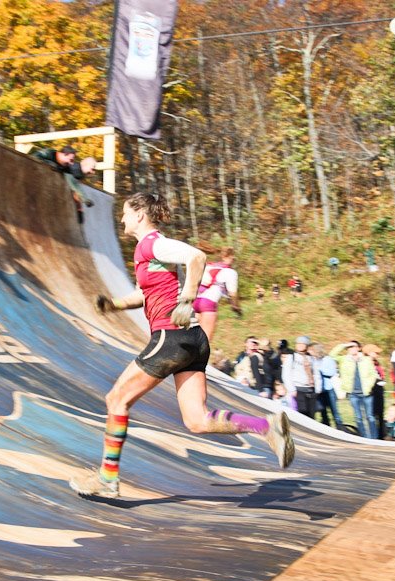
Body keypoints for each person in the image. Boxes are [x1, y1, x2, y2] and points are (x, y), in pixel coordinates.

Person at [72, 193, 294, 497]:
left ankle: (108, 479)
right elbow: (143, 295)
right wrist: (114, 305)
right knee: (197, 420)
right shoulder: (147, 251)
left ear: (139, 215)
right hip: (193, 340)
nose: (121, 219)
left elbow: (197, 257)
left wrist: (188, 298)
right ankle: (266, 427)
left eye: (125, 213)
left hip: (171, 337)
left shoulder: (151, 243)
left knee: (116, 400)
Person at [330, 341, 378, 438]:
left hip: (366, 393)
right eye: (349, 347)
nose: (351, 349)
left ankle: (374, 437)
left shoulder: (366, 360)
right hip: (353, 393)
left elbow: (373, 374)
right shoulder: (344, 359)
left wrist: (369, 386)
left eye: (354, 346)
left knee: (370, 417)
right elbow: (331, 355)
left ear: (359, 348)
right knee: (358, 417)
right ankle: (363, 437)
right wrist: (343, 345)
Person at [192, 247, 242, 342]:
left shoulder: (208, 266)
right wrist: (237, 308)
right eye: (233, 257)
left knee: (193, 339)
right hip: (208, 303)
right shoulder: (230, 272)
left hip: (194, 301)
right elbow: (233, 294)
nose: (233, 260)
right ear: (228, 257)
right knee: (204, 342)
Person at [283, 336, 319, 419]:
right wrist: (291, 389)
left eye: (302, 344)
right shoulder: (291, 357)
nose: (300, 345)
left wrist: (317, 389)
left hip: (311, 389)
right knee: (301, 413)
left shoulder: (311, 358)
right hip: (298, 389)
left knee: (311, 415)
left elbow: (316, 373)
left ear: (307, 345)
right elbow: (286, 374)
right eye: (298, 343)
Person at [310, 342, 340, 428]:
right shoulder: (313, 360)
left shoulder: (328, 359)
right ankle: (326, 427)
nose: (309, 352)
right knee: (323, 412)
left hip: (328, 389)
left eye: (311, 350)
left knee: (334, 411)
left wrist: (319, 370)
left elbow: (332, 372)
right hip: (319, 390)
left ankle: (339, 427)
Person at [363, 344, 387, 439]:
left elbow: (381, 374)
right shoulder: (364, 363)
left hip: (379, 389)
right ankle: (373, 436)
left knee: (380, 414)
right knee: (371, 414)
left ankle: (381, 435)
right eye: (375, 352)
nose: (377, 354)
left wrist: (382, 379)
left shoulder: (376, 363)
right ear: (369, 353)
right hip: (370, 391)